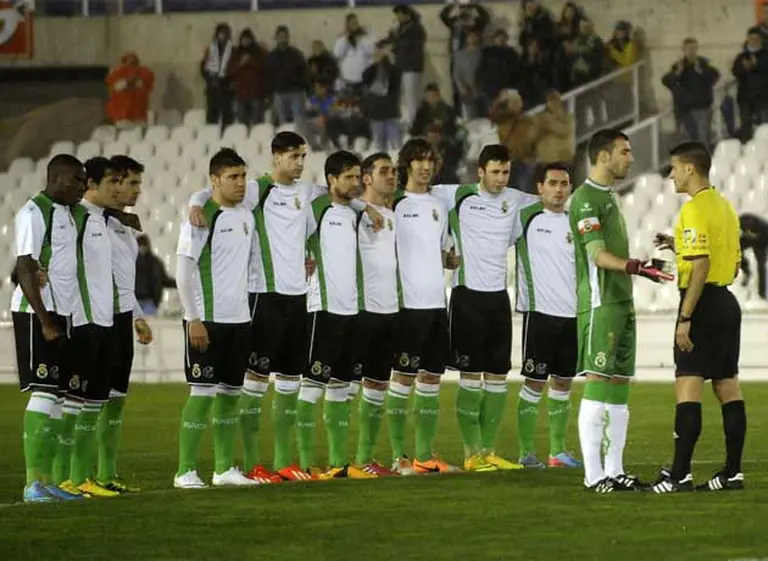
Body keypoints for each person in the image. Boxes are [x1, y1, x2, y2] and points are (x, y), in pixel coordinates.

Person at [187, 133, 383, 483]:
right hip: (265, 296)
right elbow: (213, 192)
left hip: (299, 300)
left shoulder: (307, 193)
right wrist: (195, 201)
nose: (299, 163)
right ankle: (250, 464)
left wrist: (364, 206)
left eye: (303, 156)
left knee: (290, 383)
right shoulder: (256, 189)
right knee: (255, 383)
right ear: (276, 157)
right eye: (293, 156)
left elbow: (340, 196)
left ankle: (281, 462)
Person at [570, 129, 672, 493]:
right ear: (602, 156)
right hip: (601, 303)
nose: (630, 158)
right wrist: (635, 267)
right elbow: (596, 255)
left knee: (618, 385)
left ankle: (614, 469)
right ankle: (594, 475)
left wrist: (639, 267)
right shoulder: (584, 198)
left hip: (622, 301)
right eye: (624, 152)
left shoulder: (609, 196)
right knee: (598, 381)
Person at [430, 144, 535, 472]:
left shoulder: (515, 200)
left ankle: (489, 451)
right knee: (470, 377)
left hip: (497, 298)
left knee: (498, 377)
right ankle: (471, 453)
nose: (502, 178)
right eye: (495, 172)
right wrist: (446, 251)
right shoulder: (455, 195)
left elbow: (555, 199)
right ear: (480, 172)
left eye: (506, 172)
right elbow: (412, 192)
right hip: (466, 296)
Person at [649, 142, 745, 493]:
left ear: (690, 169)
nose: (671, 175)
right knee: (727, 385)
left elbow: (701, 265)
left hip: (700, 305)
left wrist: (685, 318)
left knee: (688, 383)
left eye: (674, 168)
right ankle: (732, 473)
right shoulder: (725, 207)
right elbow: (731, 265)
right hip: (726, 302)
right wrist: (678, 247)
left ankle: (679, 475)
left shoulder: (692, 210)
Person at [173, 149, 257, 489]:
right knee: (202, 392)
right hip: (206, 320)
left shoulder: (247, 216)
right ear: (214, 181)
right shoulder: (201, 216)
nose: (240, 184)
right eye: (232, 178)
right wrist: (193, 318)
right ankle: (185, 471)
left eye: (242, 177)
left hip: (239, 319)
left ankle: (224, 469)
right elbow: (182, 271)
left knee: (230, 393)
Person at [295, 151, 375, 480]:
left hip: (351, 310)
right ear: (331, 180)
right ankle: (301, 463)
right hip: (322, 309)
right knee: (311, 387)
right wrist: (303, 259)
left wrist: (364, 205)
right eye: (349, 178)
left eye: (358, 177)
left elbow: (355, 203)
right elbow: (291, 239)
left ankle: (338, 463)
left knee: (342, 388)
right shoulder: (315, 208)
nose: (356, 184)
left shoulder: (356, 212)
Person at [11, 154, 85, 503]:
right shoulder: (33, 212)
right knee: (43, 393)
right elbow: (24, 265)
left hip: (63, 311)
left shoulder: (68, 214)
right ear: (57, 178)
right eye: (76, 180)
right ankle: (31, 484)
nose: (82, 186)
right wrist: (45, 321)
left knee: (56, 397)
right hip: (38, 314)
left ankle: (48, 481)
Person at [386, 138, 460, 475]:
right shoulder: (394, 203)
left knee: (431, 377)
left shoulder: (439, 205)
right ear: (406, 164)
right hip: (407, 304)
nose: (425, 166)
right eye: (418, 160)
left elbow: (444, 251)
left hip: (435, 303)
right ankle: (399, 457)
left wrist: (450, 257)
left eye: (430, 159)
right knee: (402, 377)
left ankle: (423, 456)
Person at [512, 162, 581, 468]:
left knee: (564, 382)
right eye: (552, 183)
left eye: (564, 184)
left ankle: (557, 452)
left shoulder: (575, 222)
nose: (558, 189)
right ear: (539, 187)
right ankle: (526, 452)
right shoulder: (524, 218)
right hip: (539, 314)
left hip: (572, 315)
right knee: (534, 382)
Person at [64, 157, 125, 498]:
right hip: (84, 321)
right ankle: (70, 477)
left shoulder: (101, 219)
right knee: (76, 403)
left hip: (105, 321)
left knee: (94, 403)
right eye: (112, 182)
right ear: (92, 185)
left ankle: (82, 477)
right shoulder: (78, 218)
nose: (118, 188)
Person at [95, 155, 153, 493]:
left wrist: (136, 315)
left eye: (135, 184)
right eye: (129, 182)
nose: (134, 190)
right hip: (97, 319)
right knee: (87, 402)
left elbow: (123, 279)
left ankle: (106, 473)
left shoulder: (124, 227)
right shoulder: (91, 221)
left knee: (116, 399)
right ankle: (73, 475)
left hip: (120, 318)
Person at [352, 153, 399, 476]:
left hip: (390, 310)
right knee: (346, 385)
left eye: (394, 171)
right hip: (360, 309)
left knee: (378, 385)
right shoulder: (352, 213)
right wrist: (361, 206)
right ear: (366, 178)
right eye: (384, 171)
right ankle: (343, 460)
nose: (392, 176)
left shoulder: (393, 213)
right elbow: (323, 197)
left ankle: (364, 458)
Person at [105, 53, 155, 129]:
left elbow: (147, 87)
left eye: (133, 63)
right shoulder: (117, 74)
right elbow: (113, 87)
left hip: (138, 115)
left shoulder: (144, 74)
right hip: (123, 116)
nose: (130, 66)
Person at [200, 23, 234, 127]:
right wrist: (210, 78)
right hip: (213, 87)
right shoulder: (210, 49)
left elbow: (234, 68)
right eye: (220, 33)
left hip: (226, 87)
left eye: (225, 33)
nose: (222, 36)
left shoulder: (233, 50)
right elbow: (203, 67)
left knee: (227, 115)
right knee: (212, 115)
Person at [135, 234, 176, 315]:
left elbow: (163, 280)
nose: (142, 248)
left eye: (144, 245)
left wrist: (179, 284)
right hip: (134, 302)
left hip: (150, 302)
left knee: (148, 325)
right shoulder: (131, 262)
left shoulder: (156, 263)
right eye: (140, 245)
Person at [739, 212, 768, 299]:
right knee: (736, 251)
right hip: (747, 239)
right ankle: (746, 270)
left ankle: (762, 292)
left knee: (761, 266)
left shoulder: (765, 227)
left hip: (761, 242)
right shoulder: (740, 221)